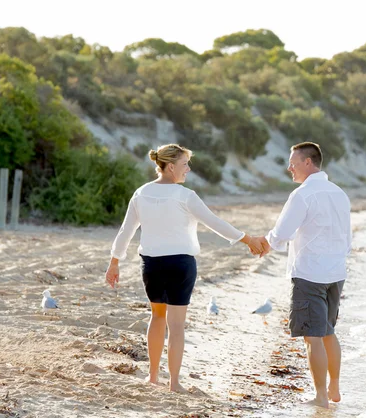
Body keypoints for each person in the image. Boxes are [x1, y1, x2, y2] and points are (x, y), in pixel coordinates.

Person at [105, 144, 263, 393]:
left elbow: (127, 230)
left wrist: (115, 262)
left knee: (157, 316)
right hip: (180, 265)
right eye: (184, 164)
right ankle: (174, 382)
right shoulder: (185, 196)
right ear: (170, 167)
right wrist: (248, 239)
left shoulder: (141, 193)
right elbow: (215, 223)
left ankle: (153, 376)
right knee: (176, 324)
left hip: (152, 265)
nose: (188, 169)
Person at [251, 142, 352, 408]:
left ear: (309, 162)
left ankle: (320, 397)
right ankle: (334, 387)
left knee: (313, 336)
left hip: (310, 273)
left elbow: (282, 232)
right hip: (336, 272)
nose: (290, 168)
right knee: (328, 331)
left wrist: (264, 244)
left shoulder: (303, 194)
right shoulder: (339, 193)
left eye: (293, 163)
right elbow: (347, 237)